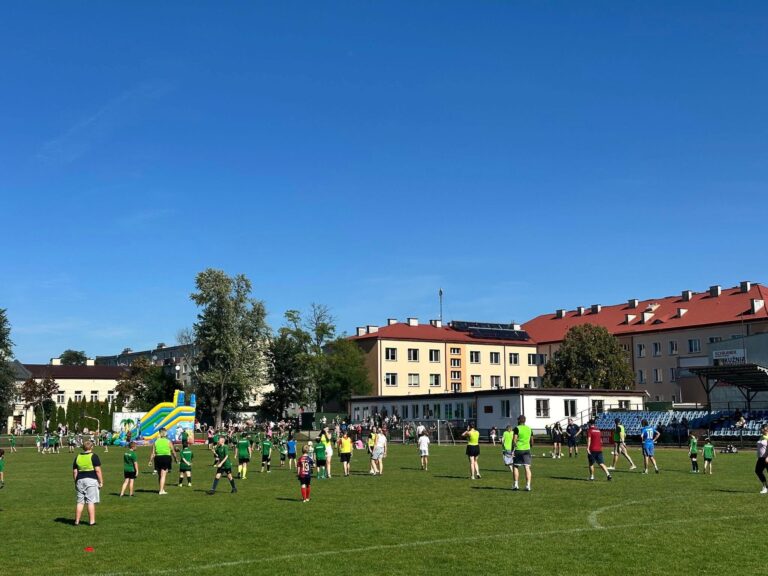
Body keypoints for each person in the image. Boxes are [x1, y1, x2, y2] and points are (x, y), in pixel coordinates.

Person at [73, 439, 103, 526]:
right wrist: (101, 481)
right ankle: (92, 521)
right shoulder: (94, 456)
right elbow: (98, 470)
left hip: (80, 480)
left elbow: (75, 471)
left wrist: (76, 482)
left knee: (80, 502)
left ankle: (77, 521)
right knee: (90, 501)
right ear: (92, 447)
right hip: (91, 480)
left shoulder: (77, 457)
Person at [149, 428, 177, 495]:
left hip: (157, 458)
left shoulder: (156, 442)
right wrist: (176, 459)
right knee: (163, 475)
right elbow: (173, 451)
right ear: (165, 433)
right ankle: (161, 491)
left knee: (160, 475)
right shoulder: (168, 441)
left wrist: (150, 461)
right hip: (166, 458)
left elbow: (153, 453)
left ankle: (162, 489)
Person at [512, 415, 533, 490]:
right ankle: (528, 485)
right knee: (527, 467)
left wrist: (513, 449)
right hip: (527, 449)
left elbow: (514, 440)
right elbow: (532, 440)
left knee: (515, 466)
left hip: (518, 449)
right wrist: (530, 446)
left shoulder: (517, 428)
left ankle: (516, 484)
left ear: (519, 421)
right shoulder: (529, 429)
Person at [755, 424, 768, 494]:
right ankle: (765, 486)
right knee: (758, 471)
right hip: (761, 458)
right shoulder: (761, 437)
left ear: (766, 429)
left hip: (766, 458)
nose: (761, 429)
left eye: (762, 429)